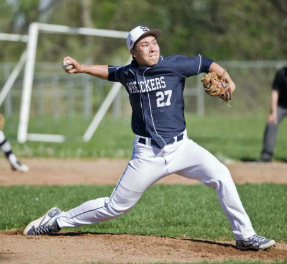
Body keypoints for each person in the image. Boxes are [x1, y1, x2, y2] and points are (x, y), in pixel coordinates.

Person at [23, 25, 275, 250]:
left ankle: (245, 236)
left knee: (221, 174)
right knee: (115, 207)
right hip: (147, 154)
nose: (152, 47)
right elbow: (111, 71)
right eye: (145, 44)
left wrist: (228, 79)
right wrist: (82, 68)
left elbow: (206, 63)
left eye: (154, 42)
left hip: (182, 148)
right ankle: (57, 220)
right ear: (133, 52)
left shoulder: (175, 65)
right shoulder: (129, 73)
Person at [260, 66, 287, 162]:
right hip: (281, 104)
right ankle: (267, 154)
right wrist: (273, 112)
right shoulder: (282, 73)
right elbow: (275, 92)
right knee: (271, 122)